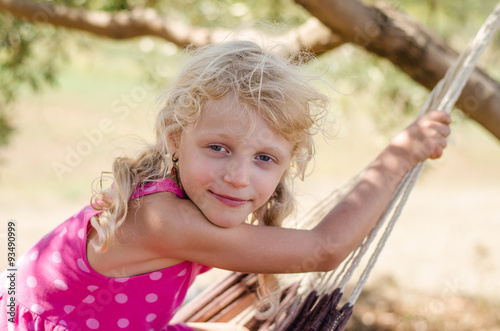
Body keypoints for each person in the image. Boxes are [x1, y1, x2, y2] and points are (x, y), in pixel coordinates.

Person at [0, 40, 451, 331]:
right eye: (218, 148)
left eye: (264, 158)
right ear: (175, 140)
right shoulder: (161, 219)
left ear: (287, 164)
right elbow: (323, 249)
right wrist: (400, 154)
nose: (238, 176)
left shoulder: (183, 200)